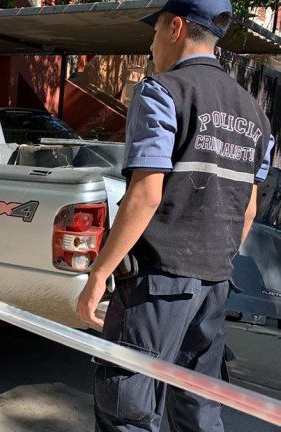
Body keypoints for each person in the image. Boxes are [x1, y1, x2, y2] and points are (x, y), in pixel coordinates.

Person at [75, 1, 275, 431]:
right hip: (214, 287)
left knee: (127, 410)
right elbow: (248, 208)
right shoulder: (256, 115)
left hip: (157, 287)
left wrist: (98, 274)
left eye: (154, 33)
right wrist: (214, 261)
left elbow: (146, 195)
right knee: (197, 408)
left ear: (176, 28)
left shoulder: (162, 92)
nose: (150, 47)